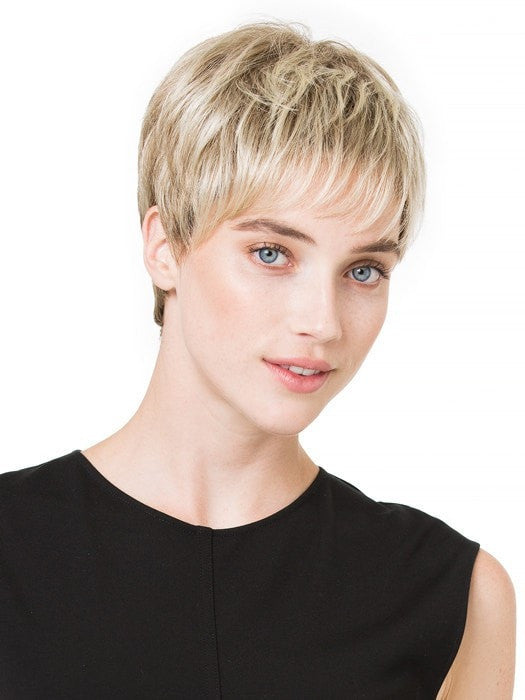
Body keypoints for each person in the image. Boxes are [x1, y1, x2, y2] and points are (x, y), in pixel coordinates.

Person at [0, 20, 515, 699]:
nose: (322, 322)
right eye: (272, 253)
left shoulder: (452, 596)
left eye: (363, 270)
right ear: (165, 247)